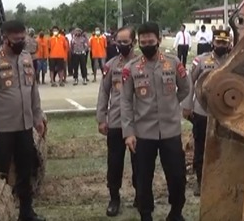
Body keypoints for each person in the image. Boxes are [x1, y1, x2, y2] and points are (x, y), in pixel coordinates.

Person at [0, 19, 46, 221]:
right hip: (2, 128)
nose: (21, 42)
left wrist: (37, 116)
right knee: (1, 174)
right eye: (16, 39)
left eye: (23, 38)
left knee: (25, 171)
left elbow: (33, 90)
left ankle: (26, 212)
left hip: (24, 127)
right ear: (5, 38)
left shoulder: (26, 58)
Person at [121, 21, 190, 221]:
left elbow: (185, 88)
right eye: (143, 42)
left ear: (158, 40)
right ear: (138, 43)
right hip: (143, 132)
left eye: (150, 41)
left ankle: (176, 211)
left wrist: (172, 104)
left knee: (177, 175)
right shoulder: (131, 68)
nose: (147, 45)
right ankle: (145, 213)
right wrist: (128, 132)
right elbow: (125, 101)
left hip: (170, 131)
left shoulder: (173, 63)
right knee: (143, 177)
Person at [181, 28, 231, 197]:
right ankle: (200, 181)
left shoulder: (233, 60)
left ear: (229, 44)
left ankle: (220, 181)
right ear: (212, 43)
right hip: (202, 111)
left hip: (224, 112)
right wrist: (187, 106)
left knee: (223, 147)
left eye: (224, 43)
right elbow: (190, 82)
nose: (221, 45)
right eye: (218, 42)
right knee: (201, 146)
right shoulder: (201, 60)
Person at [95, 26, 138, 216]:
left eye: (125, 42)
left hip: (138, 123)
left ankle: (141, 195)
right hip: (116, 121)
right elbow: (104, 92)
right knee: (114, 162)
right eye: (118, 42)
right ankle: (114, 198)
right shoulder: (111, 65)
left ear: (133, 42)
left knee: (140, 163)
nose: (121, 45)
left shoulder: (142, 63)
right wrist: (101, 118)